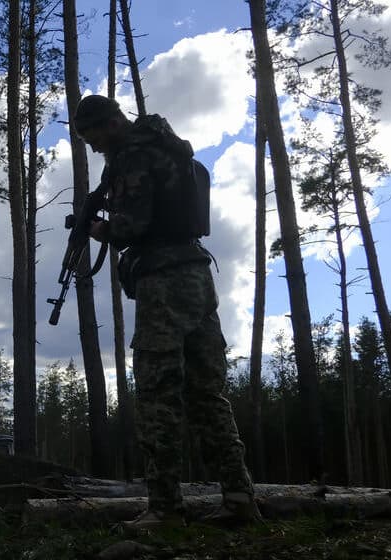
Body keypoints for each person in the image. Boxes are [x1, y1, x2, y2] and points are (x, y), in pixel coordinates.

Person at [71, 94, 259, 529]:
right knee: (209, 395)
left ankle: (165, 509)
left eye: (93, 135)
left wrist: (99, 228)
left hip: (162, 283)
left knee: (158, 397)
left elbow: (131, 227)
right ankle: (239, 497)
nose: (93, 145)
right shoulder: (170, 147)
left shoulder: (133, 155)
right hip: (197, 276)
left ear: (112, 122)